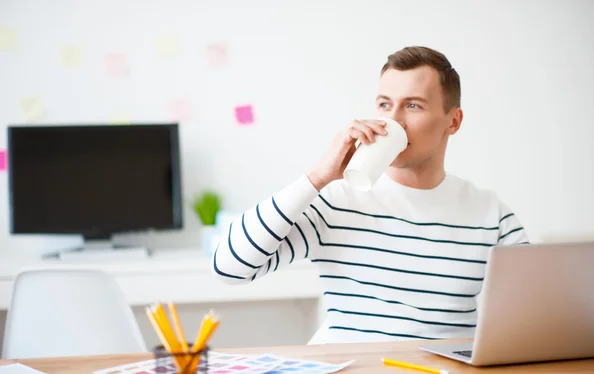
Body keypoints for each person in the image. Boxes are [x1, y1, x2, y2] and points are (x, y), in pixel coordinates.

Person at [211, 46, 529, 344]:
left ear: (453, 121)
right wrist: (318, 177)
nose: (393, 121)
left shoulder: (489, 213)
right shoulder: (336, 201)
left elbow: (536, 311)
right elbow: (229, 268)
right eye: (384, 105)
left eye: (413, 105)